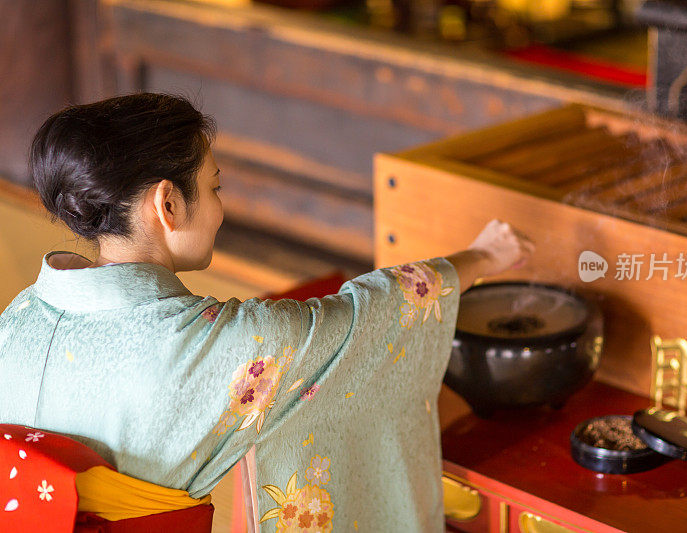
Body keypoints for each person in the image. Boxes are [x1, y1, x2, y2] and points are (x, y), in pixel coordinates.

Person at [0, 92, 535, 532]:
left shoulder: (18, 319)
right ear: (167, 204)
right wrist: (483, 256)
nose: (220, 209)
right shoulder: (214, 343)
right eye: (213, 187)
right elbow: (363, 317)